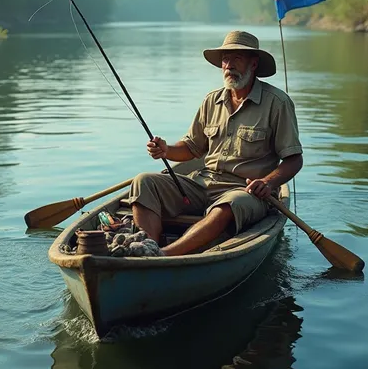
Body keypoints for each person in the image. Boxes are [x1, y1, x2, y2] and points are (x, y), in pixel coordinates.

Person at [127, 30, 303, 256]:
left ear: (254, 64)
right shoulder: (212, 100)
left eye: (237, 59)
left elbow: (294, 159)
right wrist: (166, 150)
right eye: (225, 59)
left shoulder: (277, 103)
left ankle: (165, 256)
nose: (229, 65)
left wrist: (268, 183)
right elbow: (192, 148)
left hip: (245, 192)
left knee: (228, 206)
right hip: (202, 184)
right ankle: (146, 249)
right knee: (143, 182)